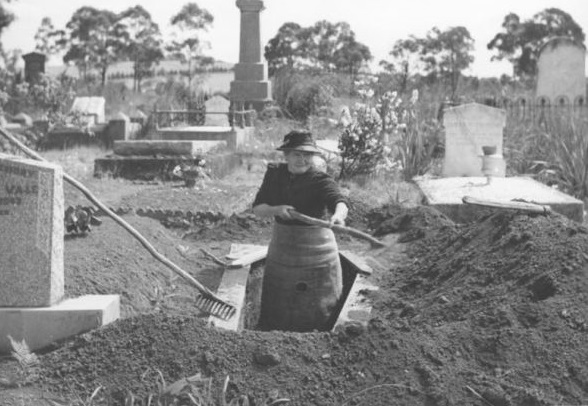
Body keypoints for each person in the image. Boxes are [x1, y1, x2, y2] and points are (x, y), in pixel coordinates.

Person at [252, 130, 349, 332]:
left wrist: (339, 215)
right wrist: (277, 210)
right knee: (279, 308)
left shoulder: (320, 180)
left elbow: (339, 201)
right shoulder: (274, 175)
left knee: (318, 311)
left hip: (318, 252)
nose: (302, 159)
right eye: (297, 154)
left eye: (307, 155)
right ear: (286, 155)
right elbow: (258, 209)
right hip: (283, 248)